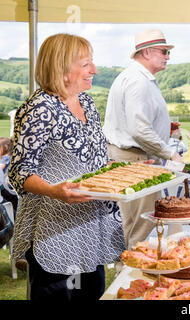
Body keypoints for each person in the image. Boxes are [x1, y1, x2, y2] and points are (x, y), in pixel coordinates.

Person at [7, 33, 125, 301]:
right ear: (62, 67)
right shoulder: (39, 108)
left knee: (93, 294)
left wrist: (114, 170)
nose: (94, 70)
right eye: (86, 64)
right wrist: (53, 190)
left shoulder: (86, 102)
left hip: (90, 226)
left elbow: (91, 156)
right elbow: (18, 171)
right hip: (55, 231)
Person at [103, 28, 182, 249]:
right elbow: (138, 129)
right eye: (164, 51)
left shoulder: (135, 77)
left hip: (132, 154)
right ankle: (133, 271)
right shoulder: (138, 81)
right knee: (143, 222)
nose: (167, 57)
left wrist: (165, 128)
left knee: (133, 221)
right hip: (136, 157)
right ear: (146, 52)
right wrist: (170, 152)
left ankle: (127, 268)